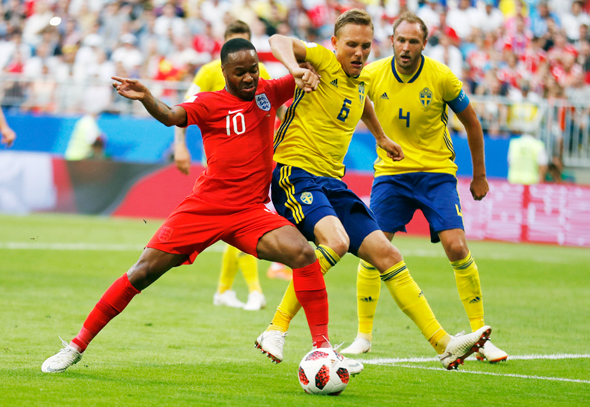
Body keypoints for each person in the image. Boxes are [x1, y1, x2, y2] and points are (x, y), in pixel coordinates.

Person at [41, 39, 358, 374]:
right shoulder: (209, 103)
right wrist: (148, 97)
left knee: (304, 255)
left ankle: (323, 350)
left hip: (251, 212)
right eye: (241, 73)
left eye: (253, 69)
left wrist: (305, 73)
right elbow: (171, 115)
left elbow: (305, 70)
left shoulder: (268, 92)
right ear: (224, 73)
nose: (250, 78)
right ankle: (76, 346)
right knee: (142, 272)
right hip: (206, 207)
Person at [254, 9, 492, 371]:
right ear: (335, 44)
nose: (359, 52)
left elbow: (361, 100)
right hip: (295, 174)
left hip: (332, 182)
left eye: (365, 46)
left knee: (387, 255)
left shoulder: (360, 80)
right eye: (350, 45)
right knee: (336, 242)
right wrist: (295, 68)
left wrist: (381, 136)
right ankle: (276, 328)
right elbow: (277, 41)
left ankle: (444, 344)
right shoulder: (320, 59)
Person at [339, 12, 508, 364]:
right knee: (373, 249)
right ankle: (363, 336)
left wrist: (479, 176)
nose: (405, 47)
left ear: (423, 44)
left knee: (456, 246)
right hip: (391, 175)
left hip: (436, 173)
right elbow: (341, 93)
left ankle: (479, 336)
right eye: (400, 40)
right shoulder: (371, 74)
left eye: (413, 41)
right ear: (391, 41)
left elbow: (473, 124)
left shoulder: (442, 77)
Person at [174, 20, 274, 312]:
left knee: (241, 225)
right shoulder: (207, 72)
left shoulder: (262, 72)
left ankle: (224, 290)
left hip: (257, 160)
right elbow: (182, 108)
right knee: (242, 219)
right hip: (223, 163)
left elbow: (280, 109)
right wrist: (180, 145)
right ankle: (254, 290)